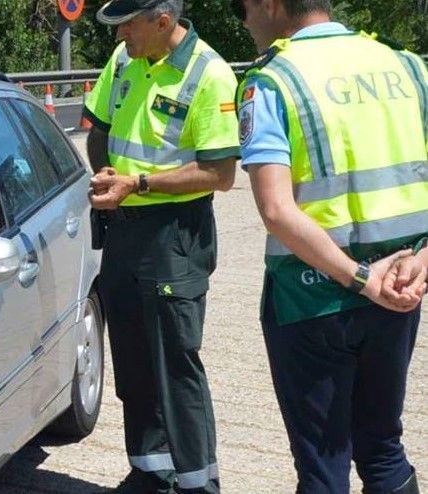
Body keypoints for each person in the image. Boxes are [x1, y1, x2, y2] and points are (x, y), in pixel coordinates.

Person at [232, 0, 428, 492]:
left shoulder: (270, 81)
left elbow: (276, 210)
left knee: (323, 465)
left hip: (310, 297)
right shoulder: (408, 66)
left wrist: (361, 280)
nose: (243, 20)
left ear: (269, 4)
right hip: (402, 290)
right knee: (383, 448)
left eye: (242, 8)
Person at [83, 1, 240, 492]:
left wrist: (139, 183)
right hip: (125, 227)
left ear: (164, 21)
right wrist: (106, 172)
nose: (121, 34)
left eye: (129, 24)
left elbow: (220, 173)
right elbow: (100, 127)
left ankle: (197, 483)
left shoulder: (209, 74)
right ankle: (150, 471)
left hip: (175, 231)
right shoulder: (126, 58)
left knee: (175, 363)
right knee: (131, 358)